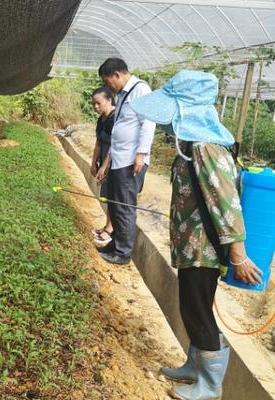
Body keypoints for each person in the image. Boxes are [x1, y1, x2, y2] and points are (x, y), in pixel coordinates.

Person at [132, 70, 263, 400]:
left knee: (197, 310)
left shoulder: (206, 147)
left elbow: (226, 203)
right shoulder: (193, 144)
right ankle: (195, 365)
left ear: (187, 111)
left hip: (204, 248)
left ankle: (211, 384)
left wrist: (239, 256)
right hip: (192, 245)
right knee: (193, 306)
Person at [97, 58, 156, 264]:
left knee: (124, 207)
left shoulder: (141, 90)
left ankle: (123, 254)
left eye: (108, 81)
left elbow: (148, 123)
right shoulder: (123, 94)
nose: (108, 86)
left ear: (117, 75)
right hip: (119, 159)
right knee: (115, 205)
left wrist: (141, 153)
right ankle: (115, 244)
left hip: (131, 161)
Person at [90, 87, 116, 247]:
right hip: (104, 159)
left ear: (109, 100)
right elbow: (99, 142)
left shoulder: (115, 119)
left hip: (114, 161)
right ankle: (107, 226)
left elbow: (114, 145)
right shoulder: (102, 119)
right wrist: (93, 163)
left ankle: (110, 229)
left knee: (113, 195)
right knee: (107, 194)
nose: (96, 107)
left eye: (98, 103)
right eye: (93, 104)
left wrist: (104, 167)